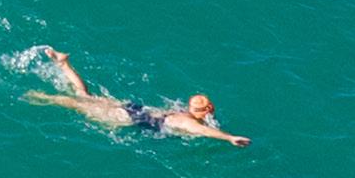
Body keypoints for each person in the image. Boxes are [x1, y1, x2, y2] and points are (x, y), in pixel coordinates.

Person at [27, 47, 247, 144]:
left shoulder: (181, 111)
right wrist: (229, 137)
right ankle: (44, 97)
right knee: (78, 103)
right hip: (128, 117)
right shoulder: (186, 121)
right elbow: (204, 131)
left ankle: (63, 63)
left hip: (134, 108)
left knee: (85, 96)